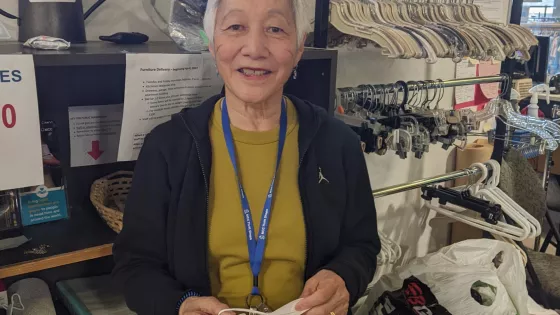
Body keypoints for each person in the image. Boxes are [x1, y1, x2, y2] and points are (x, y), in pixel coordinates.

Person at [112, 0, 380, 314]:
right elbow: (134, 266)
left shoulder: (338, 143)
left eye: (275, 29)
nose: (254, 48)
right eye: (236, 26)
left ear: (298, 47)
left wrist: (343, 277)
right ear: (212, 42)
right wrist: (180, 305)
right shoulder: (168, 147)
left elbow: (362, 246)